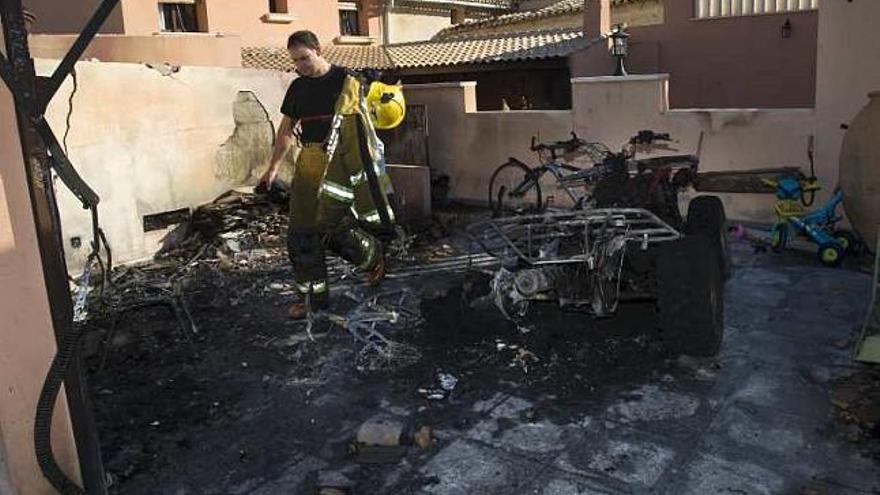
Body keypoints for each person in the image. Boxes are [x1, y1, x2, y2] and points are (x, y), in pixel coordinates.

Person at [259, 30, 397, 319]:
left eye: (305, 58)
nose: (301, 65)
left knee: (331, 228)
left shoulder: (346, 80)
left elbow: (372, 122)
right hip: (309, 161)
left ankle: (371, 257)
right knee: (300, 232)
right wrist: (272, 169)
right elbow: (286, 131)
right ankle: (311, 299)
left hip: (341, 162)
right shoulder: (297, 88)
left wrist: (372, 84)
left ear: (318, 50)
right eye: (296, 61)